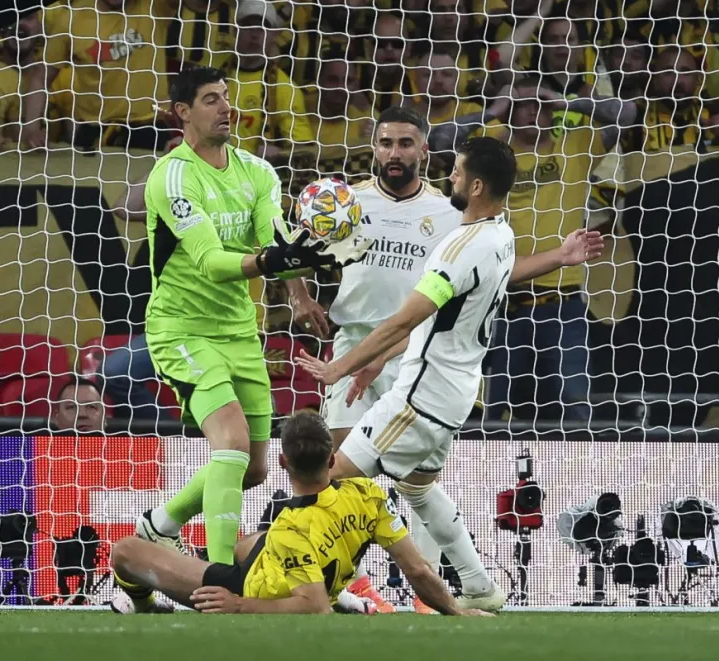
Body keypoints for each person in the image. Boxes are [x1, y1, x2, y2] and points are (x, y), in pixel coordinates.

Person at [296, 137, 604, 611]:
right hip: (457, 392)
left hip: (420, 397)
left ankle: (330, 588)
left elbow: (406, 318)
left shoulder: (457, 249)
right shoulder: (501, 235)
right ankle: (480, 585)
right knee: (417, 489)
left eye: (457, 172)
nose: (451, 177)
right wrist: (377, 362)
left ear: (476, 186)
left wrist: (340, 366)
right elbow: (437, 321)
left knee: (331, 479)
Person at [134, 66, 366, 567]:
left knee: (256, 469)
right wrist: (272, 261)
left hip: (241, 331)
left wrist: (306, 274)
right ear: (182, 112)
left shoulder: (258, 172)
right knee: (232, 445)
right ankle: (219, 575)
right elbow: (211, 263)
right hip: (182, 330)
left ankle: (160, 525)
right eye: (211, 100)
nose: (227, 108)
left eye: (226, 97)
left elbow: (274, 240)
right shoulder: (172, 177)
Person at [287, 104, 464, 614]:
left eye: (405, 143)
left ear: (424, 150)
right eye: (386, 143)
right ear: (374, 148)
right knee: (339, 471)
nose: (394, 153)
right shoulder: (346, 202)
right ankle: (355, 587)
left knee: (417, 478)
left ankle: (426, 596)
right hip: (353, 343)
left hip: (416, 351)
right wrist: (300, 296)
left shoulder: (449, 214)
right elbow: (284, 241)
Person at [109, 412, 489, 617]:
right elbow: (418, 569)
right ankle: (345, 595)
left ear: (282, 462)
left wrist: (238, 605)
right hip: (281, 558)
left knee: (126, 551)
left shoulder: (289, 527)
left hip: (249, 588)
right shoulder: (369, 494)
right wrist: (455, 611)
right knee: (249, 544)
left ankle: (142, 603)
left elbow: (314, 607)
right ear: (332, 459)